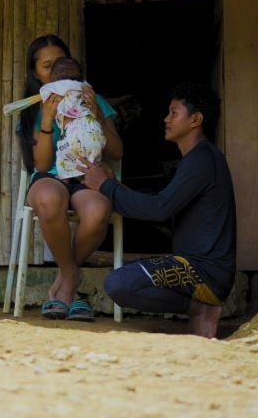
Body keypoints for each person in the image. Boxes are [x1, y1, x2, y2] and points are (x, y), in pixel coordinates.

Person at [78, 82, 236, 338]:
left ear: (195, 119)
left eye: (174, 113)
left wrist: (106, 186)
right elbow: (162, 207)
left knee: (118, 283)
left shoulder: (202, 159)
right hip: (200, 269)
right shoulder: (198, 159)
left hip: (203, 272)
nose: (166, 119)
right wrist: (113, 185)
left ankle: (200, 309)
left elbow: (159, 210)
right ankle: (200, 308)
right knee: (121, 282)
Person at [17, 35, 123, 321]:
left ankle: (64, 284)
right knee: (48, 199)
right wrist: (47, 119)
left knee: (98, 210)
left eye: (61, 64)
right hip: (51, 177)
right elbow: (41, 163)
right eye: (47, 66)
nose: (57, 73)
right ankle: (71, 278)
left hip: (86, 177)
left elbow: (117, 151)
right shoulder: (32, 108)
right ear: (35, 73)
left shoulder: (93, 99)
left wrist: (96, 113)